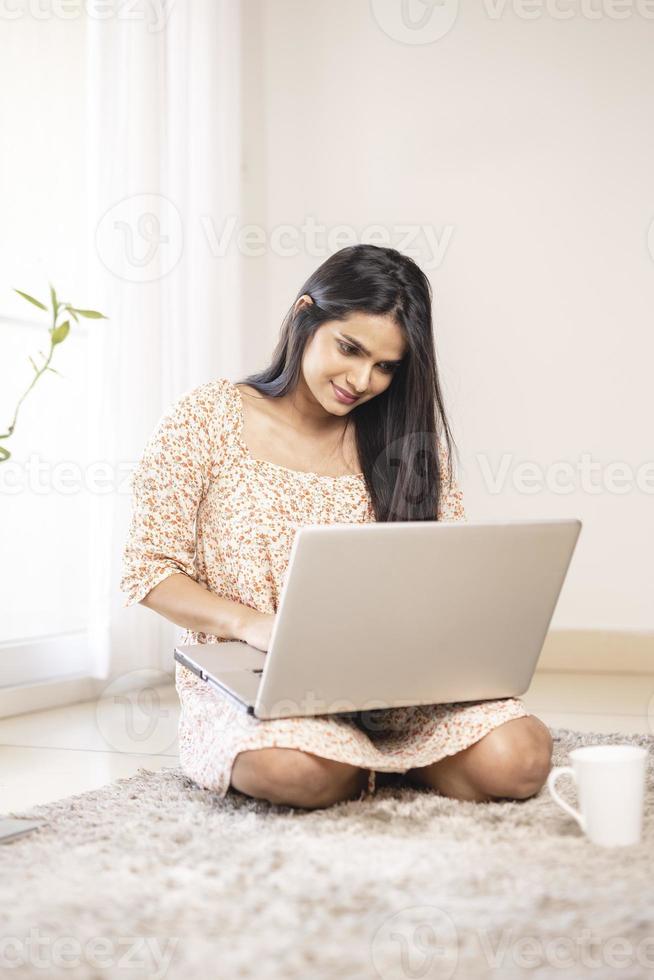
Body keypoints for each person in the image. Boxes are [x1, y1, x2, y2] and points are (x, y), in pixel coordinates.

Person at [120, 244, 553, 810]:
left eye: (385, 366)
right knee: (296, 772)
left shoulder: (404, 444)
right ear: (305, 316)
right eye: (349, 348)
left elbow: (447, 576)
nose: (361, 379)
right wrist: (253, 624)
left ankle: (372, 760)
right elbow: (148, 570)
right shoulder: (209, 416)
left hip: (398, 684)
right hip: (262, 686)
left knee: (521, 759)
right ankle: (368, 764)